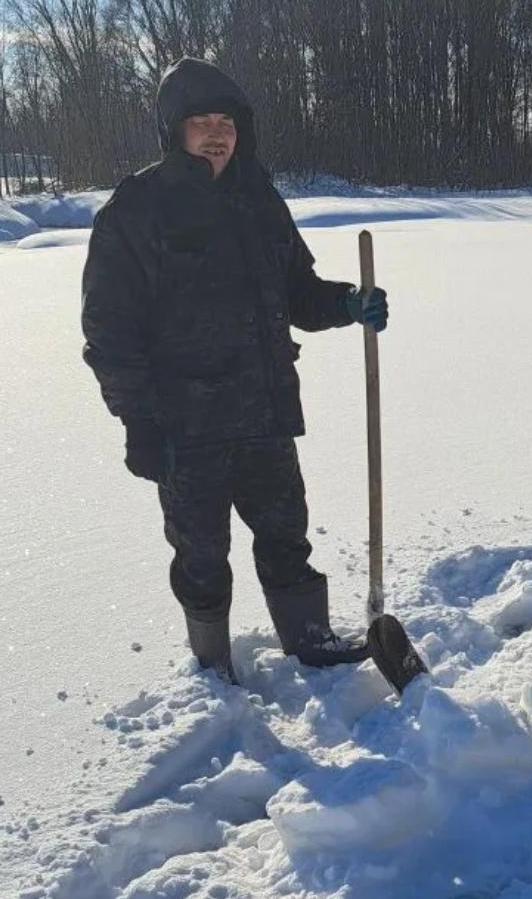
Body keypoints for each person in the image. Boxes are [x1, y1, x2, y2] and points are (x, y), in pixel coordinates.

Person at [82, 57, 389, 682]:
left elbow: (296, 292)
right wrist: (138, 423)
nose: (217, 132)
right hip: (184, 427)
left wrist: (346, 304)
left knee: (287, 537)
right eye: (201, 121)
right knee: (200, 555)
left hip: (264, 412)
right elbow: (109, 333)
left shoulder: (259, 199)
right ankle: (212, 663)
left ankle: (309, 640)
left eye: (227, 120)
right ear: (175, 130)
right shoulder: (136, 210)